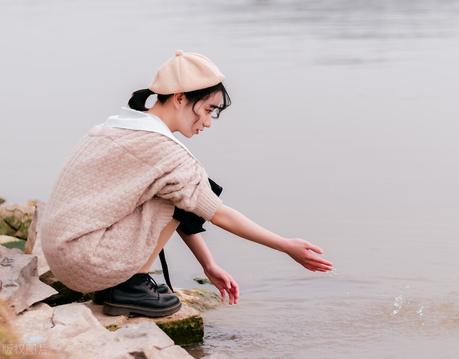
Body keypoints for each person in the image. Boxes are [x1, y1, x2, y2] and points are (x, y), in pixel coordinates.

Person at [40, 50, 333, 318]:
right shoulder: (164, 151)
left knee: (191, 187)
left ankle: (122, 284)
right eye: (208, 110)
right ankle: (131, 286)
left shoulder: (118, 125)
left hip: (66, 255)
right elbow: (215, 212)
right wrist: (285, 246)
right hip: (88, 261)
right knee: (199, 186)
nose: (209, 122)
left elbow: (189, 202)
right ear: (180, 98)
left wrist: (208, 265)